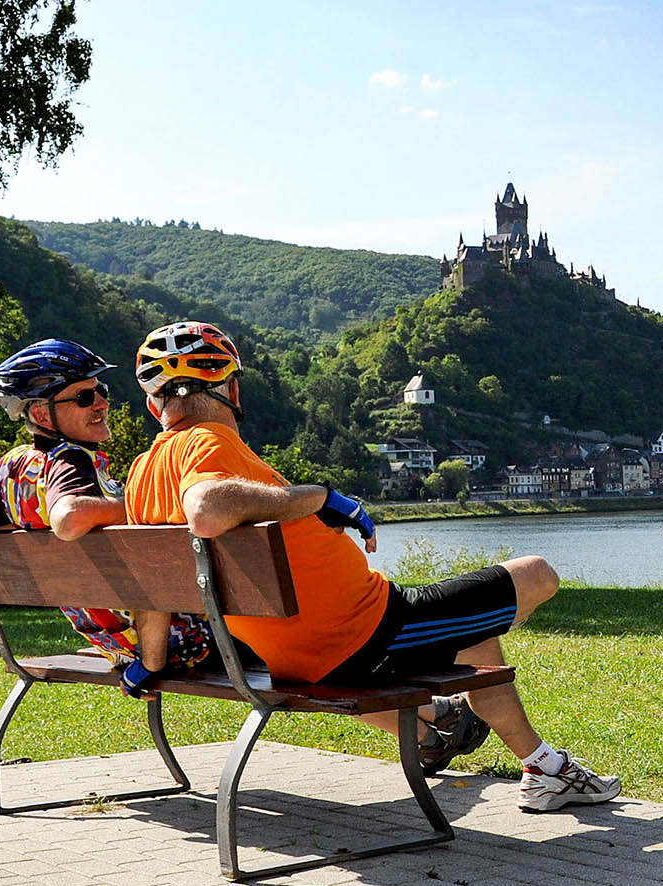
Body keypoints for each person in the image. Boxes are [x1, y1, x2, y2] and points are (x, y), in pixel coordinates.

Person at [120, 321, 618, 811]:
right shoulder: (207, 441)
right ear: (231, 388)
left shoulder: (142, 473)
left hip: (294, 655)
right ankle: (544, 770)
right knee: (537, 574)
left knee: (475, 634)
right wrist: (321, 498)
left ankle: (536, 763)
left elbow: (156, 585)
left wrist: (152, 663)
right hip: (368, 632)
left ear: (153, 404)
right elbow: (206, 508)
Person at [0, 339, 213, 692]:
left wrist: (18, 524)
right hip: (177, 643)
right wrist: (146, 505)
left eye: (100, 391)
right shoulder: (71, 460)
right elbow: (68, 517)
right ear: (41, 415)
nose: (101, 403)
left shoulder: (8, 472)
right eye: (84, 398)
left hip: (113, 641)